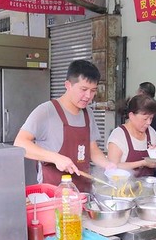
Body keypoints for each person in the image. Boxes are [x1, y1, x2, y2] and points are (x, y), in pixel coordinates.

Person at [14, 60, 115, 192]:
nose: (88, 96)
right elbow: (20, 143)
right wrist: (55, 158)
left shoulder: (88, 113)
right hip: (53, 192)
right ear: (68, 85)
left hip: (82, 192)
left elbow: (93, 149)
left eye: (93, 91)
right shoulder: (46, 111)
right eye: (83, 90)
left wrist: (108, 165)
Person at [107, 95, 156, 177]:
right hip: (123, 187)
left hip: (148, 186)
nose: (149, 123)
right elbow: (113, 167)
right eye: (145, 119)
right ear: (131, 116)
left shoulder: (151, 132)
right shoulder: (118, 136)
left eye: (151, 118)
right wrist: (143, 163)